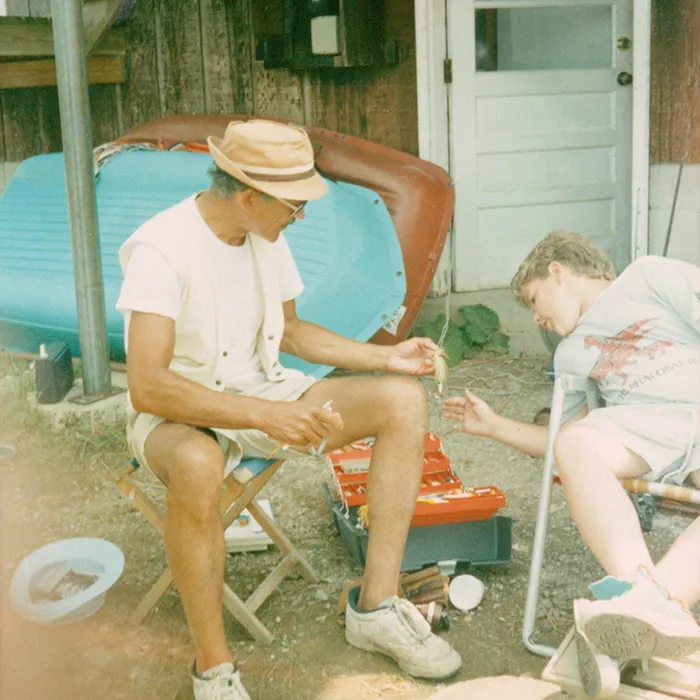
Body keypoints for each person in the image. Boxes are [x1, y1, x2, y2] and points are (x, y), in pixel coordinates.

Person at [116, 119, 462, 700]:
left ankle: (376, 605)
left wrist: (389, 357)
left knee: (402, 400)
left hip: (263, 392)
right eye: (292, 205)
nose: (299, 216)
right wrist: (259, 415)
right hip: (176, 414)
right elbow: (148, 386)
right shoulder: (162, 248)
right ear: (248, 195)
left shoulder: (264, 237)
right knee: (200, 462)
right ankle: (213, 668)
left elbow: (295, 332)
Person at [443, 231, 700, 698]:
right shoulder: (569, 354)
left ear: (557, 270)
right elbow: (560, 442)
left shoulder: (648, 275)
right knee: (577, 444)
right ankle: (649, 597)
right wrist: (495, 426)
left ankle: (650, 606)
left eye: (534, 298)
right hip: (643, 427)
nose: (536, 316)